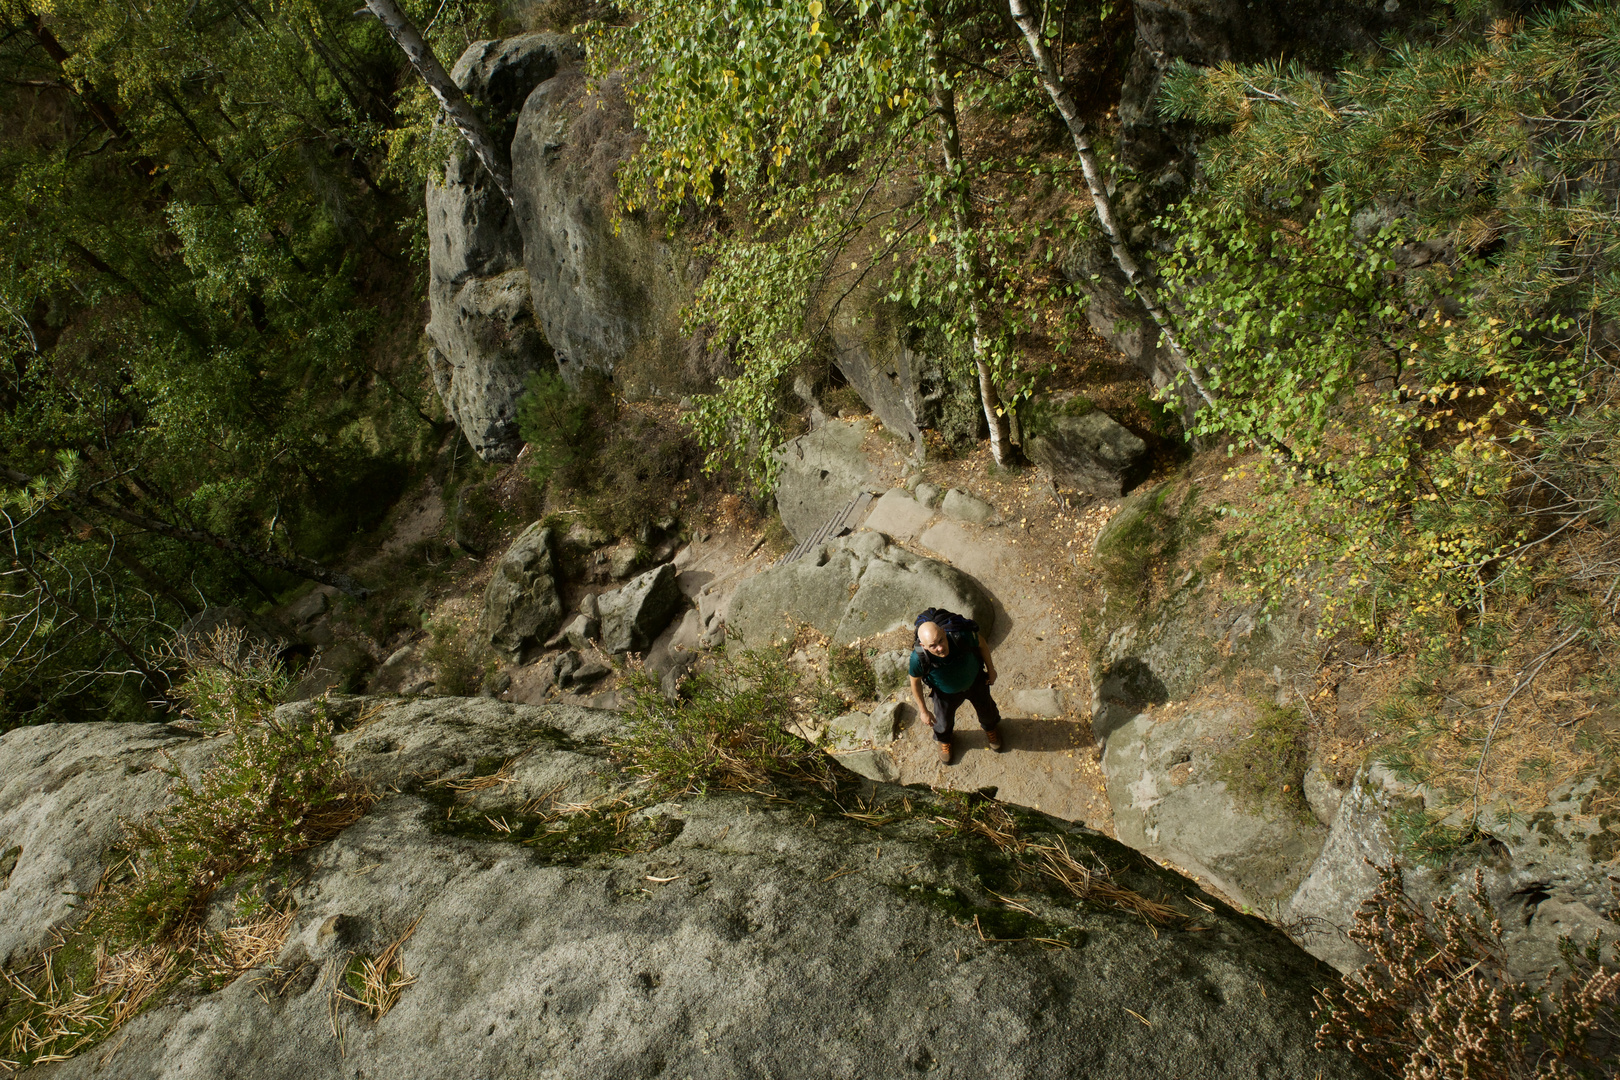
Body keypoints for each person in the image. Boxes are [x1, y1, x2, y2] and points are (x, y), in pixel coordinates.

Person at [908, 613, 1003, 766]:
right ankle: (944, 740)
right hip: (944, 693)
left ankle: (991, 728)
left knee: (987, 710)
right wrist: (923, 710)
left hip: (976, 682)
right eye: (933, 646)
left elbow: (982, 643)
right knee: (942, 722)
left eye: (941, 640)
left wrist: (991, 669)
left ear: (944, 632)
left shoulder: (960, 636)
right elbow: (915, 682)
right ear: (923, 646)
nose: (940, 648)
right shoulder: (918, 658)